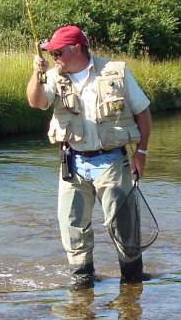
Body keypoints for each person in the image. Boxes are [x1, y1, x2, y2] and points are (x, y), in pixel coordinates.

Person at [26, 25, 152, 288]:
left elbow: (143, 112)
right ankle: (82, 280)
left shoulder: (116, 72)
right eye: (52, 53)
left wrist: (141, 152)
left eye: (58, 52)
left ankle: (132, 279)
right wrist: (35, 75)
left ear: (76, 48)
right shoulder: (52, 76)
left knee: (123, 223)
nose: (54, 57)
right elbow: (35, 102)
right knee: (72, 224)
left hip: (112, 160)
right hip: (73, 162)